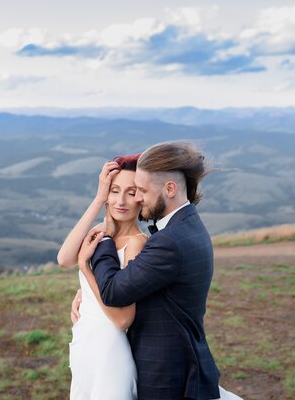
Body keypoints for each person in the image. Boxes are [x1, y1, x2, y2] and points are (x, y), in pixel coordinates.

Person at [77, 142, 242, 400]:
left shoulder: (170, 241)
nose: (138, 197)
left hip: (166, 375)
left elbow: (113, 291)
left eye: (142, 190)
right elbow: (147, 286)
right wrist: (85, 293)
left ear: (170, 188)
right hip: (179, 365)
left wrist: (105, 240)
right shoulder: (188, 226)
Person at [58, 154, 146, 400]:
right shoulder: (99, 231)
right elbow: (64, 259)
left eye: (131, 192)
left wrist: (86, 269)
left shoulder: (136, 244)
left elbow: (123, 320)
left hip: (109, 351)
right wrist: (98, 199)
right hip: (84, 342)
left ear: (142, 197)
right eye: (114, 190)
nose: (121, 201)